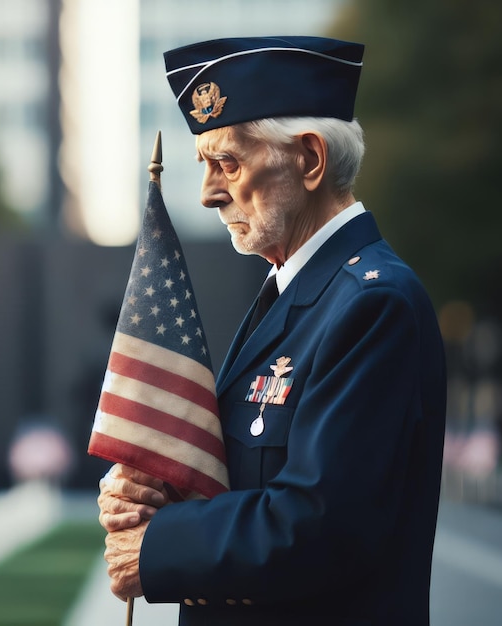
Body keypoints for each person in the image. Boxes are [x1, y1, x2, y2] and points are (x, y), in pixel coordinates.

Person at [98, 35, 446, 626]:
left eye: (227, 163)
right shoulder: (296, 291)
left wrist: (157, 545)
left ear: (309, 159)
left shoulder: (372, 304)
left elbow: (320, 524)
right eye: (204, 165)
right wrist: (164, 491)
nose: (208, 193)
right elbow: (258, 483)